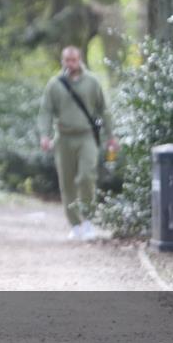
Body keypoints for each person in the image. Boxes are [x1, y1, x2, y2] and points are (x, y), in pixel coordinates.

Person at [38, 46, 119, 241]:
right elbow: (46, 111)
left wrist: (111, 135)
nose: (70, 64)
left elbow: (104, 109)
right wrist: (44, 135)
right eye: (67, 60)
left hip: (86, 136)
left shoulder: (92, 82)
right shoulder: (55, 84)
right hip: (63, 138)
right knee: (67, 182)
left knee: (86, 177)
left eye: (73, 60)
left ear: (80, 60)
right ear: (62, 61)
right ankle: (75, 225)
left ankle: (88, 220)